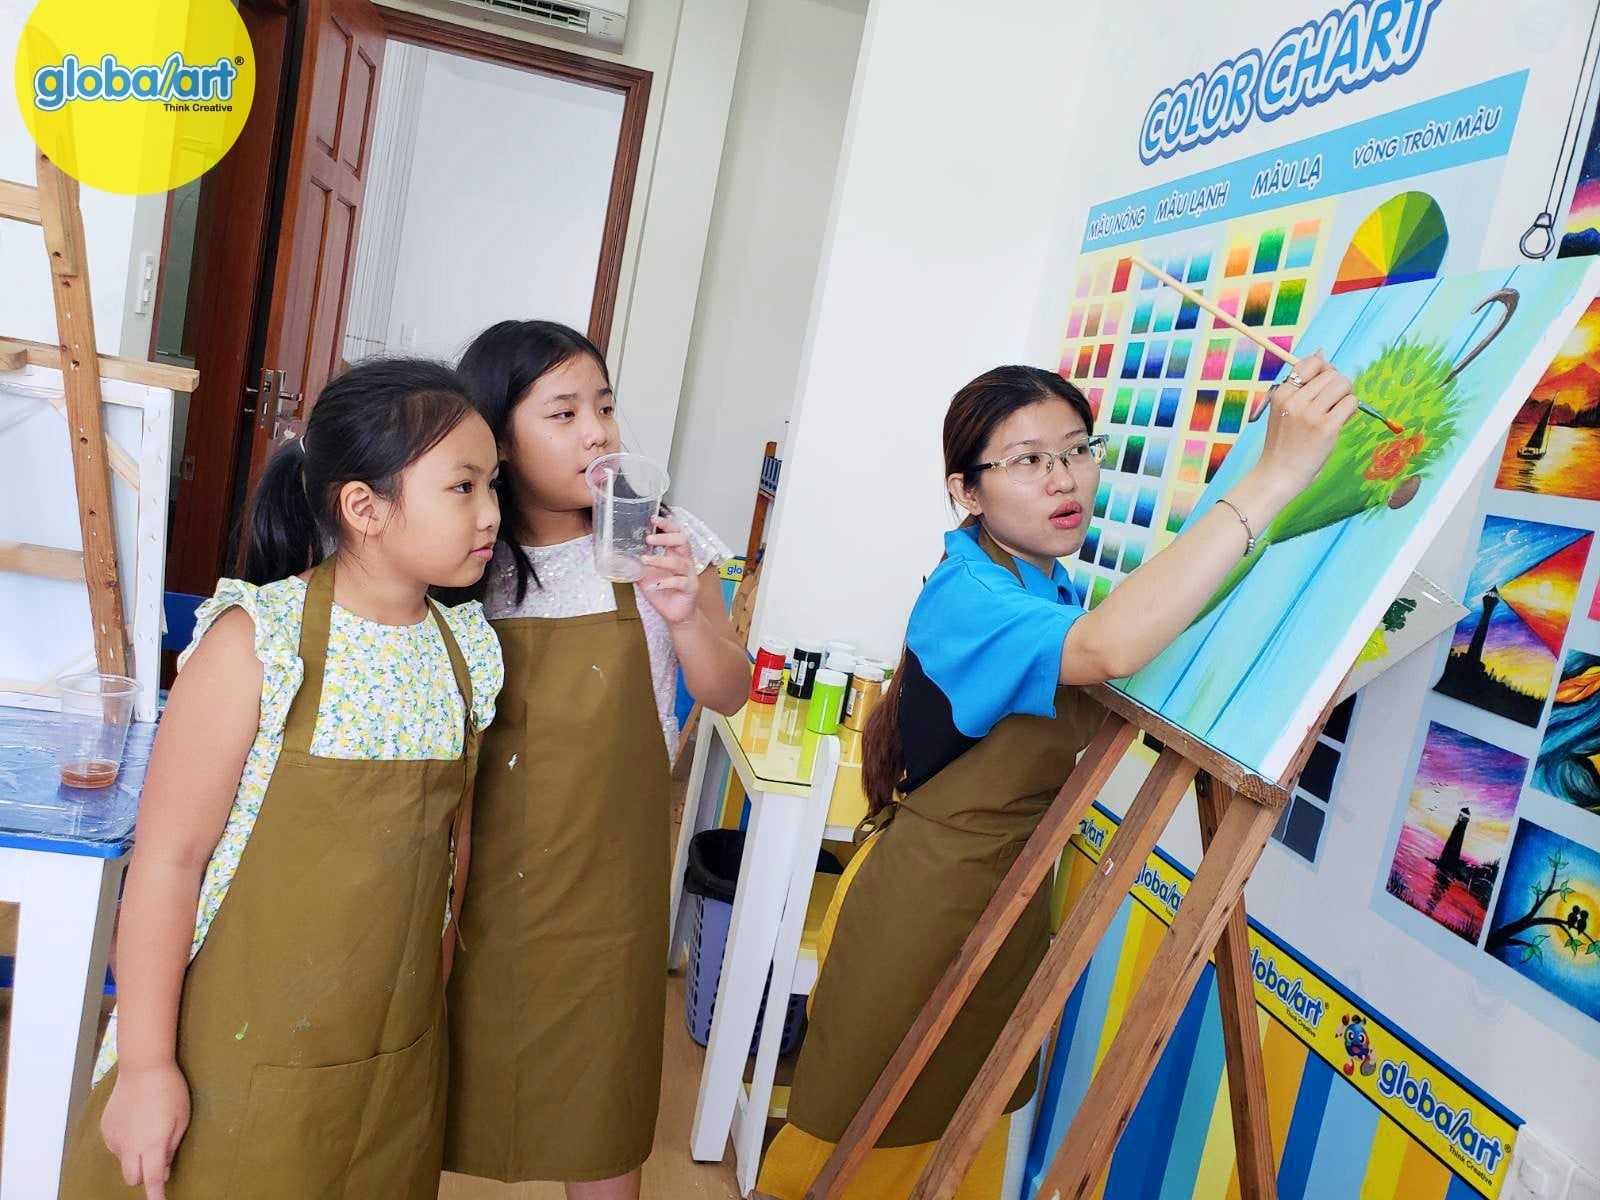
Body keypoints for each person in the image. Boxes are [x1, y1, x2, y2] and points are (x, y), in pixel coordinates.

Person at [758, 356, 1356, 1197]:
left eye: (1076, 450)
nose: (1064, 477)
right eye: (1028, 460)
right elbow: (1109, 648)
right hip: (926, 909)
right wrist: (1276, 476)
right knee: (861, 1147)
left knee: (953, 1141)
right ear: (967, 491)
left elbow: (1133, 632)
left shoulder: (1047, 585)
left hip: (1002, 899)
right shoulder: (971, 592)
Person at [58, 359, 505, 1199]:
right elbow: (168, 863)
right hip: (227, 1052)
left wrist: (429, 1010)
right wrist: (148, 1067)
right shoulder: (256, 644)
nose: (490, 513)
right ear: (364, 508)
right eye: (463, 487)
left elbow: (453, 857)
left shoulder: (466, 653)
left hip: (389, 1059)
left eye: (493, 485)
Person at [443, 320, 749, 1199]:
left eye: (605, 407)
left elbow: (727, 689)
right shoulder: (464, 558)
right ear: (498, 438)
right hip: (469, 875)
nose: (597, 433)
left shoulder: (663, 541)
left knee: (601, 1096)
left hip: (605, 883)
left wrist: (684, 612)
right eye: (564, 412)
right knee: (433, 1081)